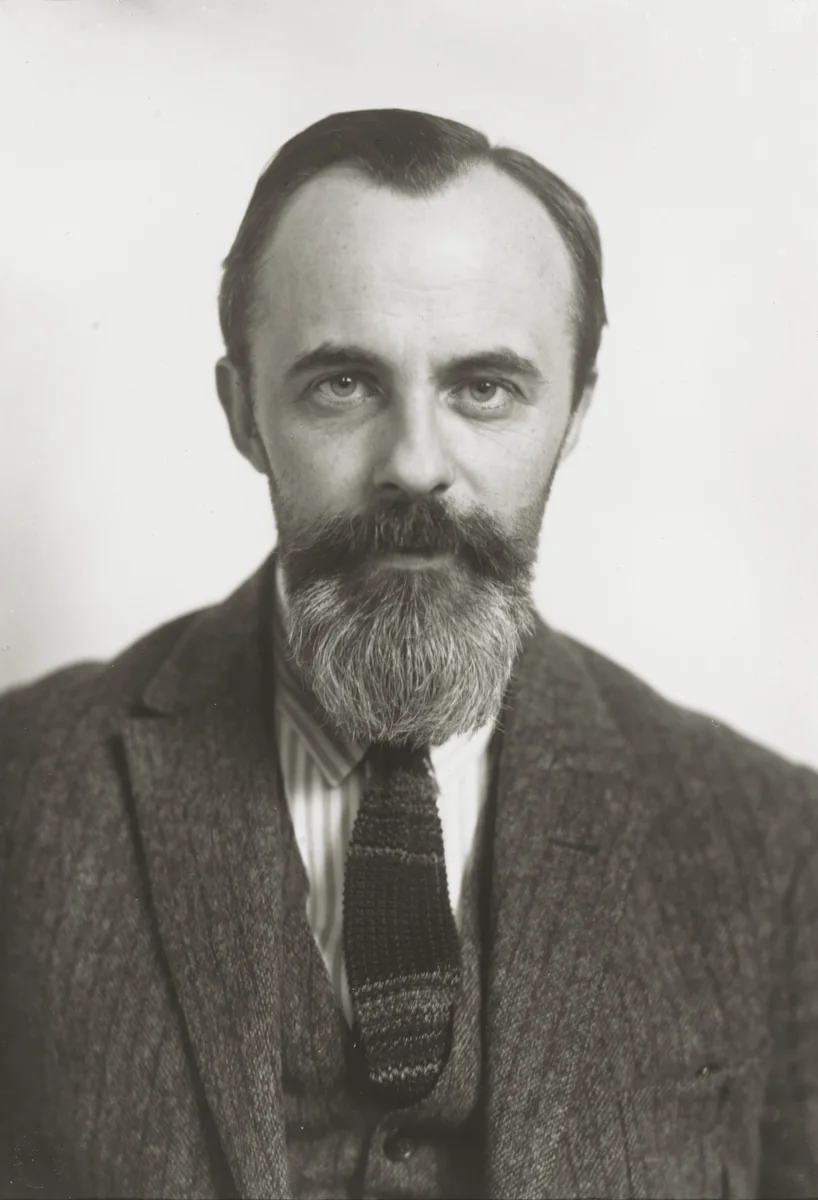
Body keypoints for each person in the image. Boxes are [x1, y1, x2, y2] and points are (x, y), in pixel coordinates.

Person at [0, 108, 815, 1200]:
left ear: (571, 414)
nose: (415, 466)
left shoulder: (768, 845)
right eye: (342, 384)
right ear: (244, 413)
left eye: (484, 387)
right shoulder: (24, 795)